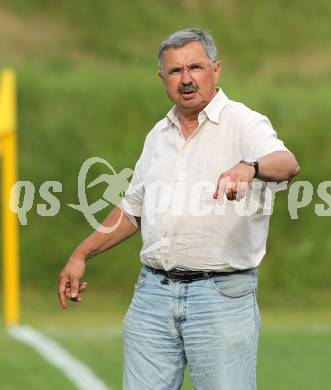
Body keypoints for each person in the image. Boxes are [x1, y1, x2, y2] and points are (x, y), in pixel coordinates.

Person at [58, 28, 300, 390]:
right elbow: (134, 209)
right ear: (162, 79)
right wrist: (82, 253)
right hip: (152, 296)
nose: (186, 79)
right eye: (175, 71)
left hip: (220, 297)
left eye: (195, 67)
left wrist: (249, 167)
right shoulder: (158, 135)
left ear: (216, 70)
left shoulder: (243, 122)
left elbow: (287, 163)